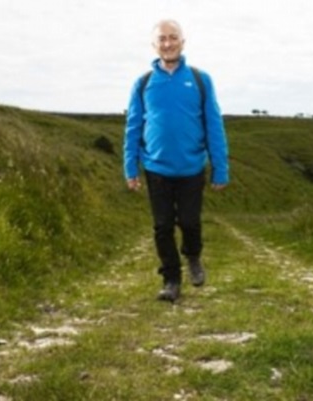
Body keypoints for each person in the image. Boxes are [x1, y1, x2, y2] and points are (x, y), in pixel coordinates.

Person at [123, 19, 229, 302]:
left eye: (173, 37)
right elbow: (133, 126)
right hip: (156, 168)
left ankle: (193, 255)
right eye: (162, 39)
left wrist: (220, 168)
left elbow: (214, 125)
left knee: (190, 222)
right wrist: (130, 167)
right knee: (163, 226)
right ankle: (171, 280)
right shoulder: (143, 83)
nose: (168, 43)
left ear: (183, 42)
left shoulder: (200, 80)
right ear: (154, 45)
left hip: (192, 167)